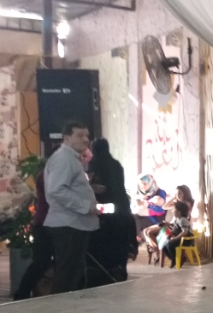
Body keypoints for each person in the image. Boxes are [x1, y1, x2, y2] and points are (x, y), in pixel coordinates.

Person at [45, 121, 99, 294]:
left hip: (74, 223)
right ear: (67, 138)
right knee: (67, 274)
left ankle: (66, 307)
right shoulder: (63, 158)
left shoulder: (72, 158)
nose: (86, 139)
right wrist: (86, 206)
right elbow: (56, 190)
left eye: (87, 136)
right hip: (68, 224)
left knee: (72, 273)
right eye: (80, 135)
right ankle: (61, 308)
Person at [87, 139, 137, 280]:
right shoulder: (116, 164)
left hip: (102, 208)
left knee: (102, 240)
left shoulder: (94, 164)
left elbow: (92, 184)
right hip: (121, 207)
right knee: (120, 240)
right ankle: (120, 270)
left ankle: (102, 272)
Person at [12, 162, 52, 300]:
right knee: (41, 262)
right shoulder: (47, 175)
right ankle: (22, 294)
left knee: (41, 262)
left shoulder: (46, 174)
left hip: (46, 221)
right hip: (45, 222)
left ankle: (23, 293)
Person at [136, 174, 168, 256]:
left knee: (134, 222)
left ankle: (138, 240)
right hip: (143, 217)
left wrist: (148, 205)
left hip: (156, 219)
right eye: (140, 184)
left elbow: (162, 209)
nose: (142, 186)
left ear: (150, 183)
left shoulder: (160, 192)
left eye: (145, 184)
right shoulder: (139, 193)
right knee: (131, 219)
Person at [158, 200, 192, 267]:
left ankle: (177, 258)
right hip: (180, 238)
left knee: (170, 244)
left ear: (179, 211)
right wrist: (168, 224)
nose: (172, 211)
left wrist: (176, 238)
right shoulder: (177, 219)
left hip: (186, 239)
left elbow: (185, 232)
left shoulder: (183, 220)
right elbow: (175, 227)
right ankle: (173, 258)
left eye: (174, 209)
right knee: (164, 245)